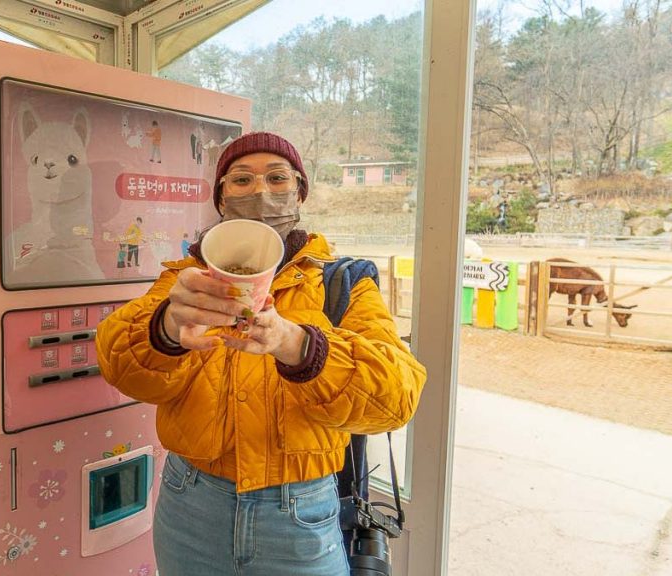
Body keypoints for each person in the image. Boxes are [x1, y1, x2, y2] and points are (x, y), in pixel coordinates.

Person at [95, 132, 427, 576]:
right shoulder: (185, 280)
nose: (260, 192)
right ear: (221, 198)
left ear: (300, 192)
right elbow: (119, 365)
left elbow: (396, 398)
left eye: (277, 178)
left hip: (300, 512)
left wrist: (299, 345)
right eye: (241, 180)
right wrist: (166, 329)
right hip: (190, 501)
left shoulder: (341, 282)